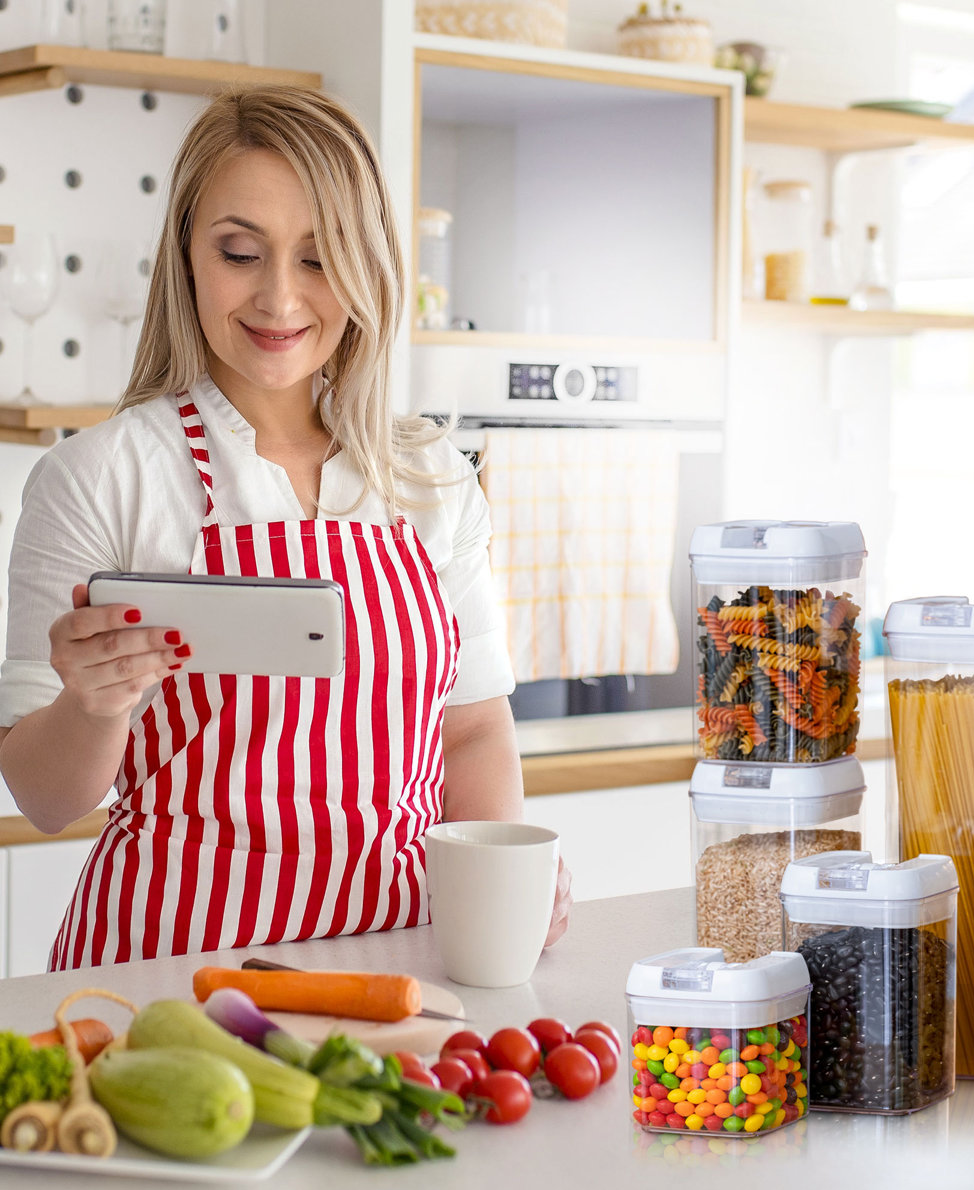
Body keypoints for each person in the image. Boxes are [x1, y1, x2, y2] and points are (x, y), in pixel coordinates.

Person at [0, 85, 571, 970]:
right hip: (169, 982)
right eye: (240, 251)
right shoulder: (100, 477)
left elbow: (471, 728)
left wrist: (500, 871)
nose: (278, 297)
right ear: (187, 252)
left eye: (318, 257)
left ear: (367, 263)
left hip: (401, 968)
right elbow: (45, 797)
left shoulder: (430, 479)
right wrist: (91, 703)